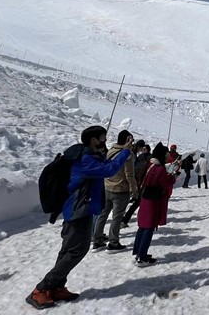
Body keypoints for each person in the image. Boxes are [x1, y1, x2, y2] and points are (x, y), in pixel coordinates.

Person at [26, 126, 132, 309]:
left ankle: (57, 286)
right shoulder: (85, 160)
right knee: (76, 250)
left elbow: (104, 166)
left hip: (79, 209)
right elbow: (109, 169)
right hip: (78, 211)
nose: (104, 141)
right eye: (102, 138)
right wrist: (126, 151)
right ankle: (41, 290)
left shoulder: (87, 156)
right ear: (93, 140)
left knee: (67, 250)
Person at [92, 129, 138, 252]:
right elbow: (129, 174)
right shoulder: (127, 154)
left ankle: (97, 240)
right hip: (121, 189)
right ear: (128, 140)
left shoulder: (111, 150)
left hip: (107, 187)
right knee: (117, 217)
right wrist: (134, 189)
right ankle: (113, 243)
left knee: (103, 214)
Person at [132, 142, 176, 266]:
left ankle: (138, 252)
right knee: (149, 228)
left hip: (145, 198)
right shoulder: (160, 169)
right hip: (153, 200)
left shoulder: (150, 165)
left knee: (142, 227)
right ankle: (142, 256)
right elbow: (164, 183)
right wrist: (172, 177)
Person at [121, 142, 150, 227]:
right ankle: (123, 218)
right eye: (143, 148)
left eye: (145, 149)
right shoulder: (138, 156)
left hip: (141, 182)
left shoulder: (149, 157)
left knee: (137, 203)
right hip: (135, 181)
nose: (143, 150)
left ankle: (124, 218)